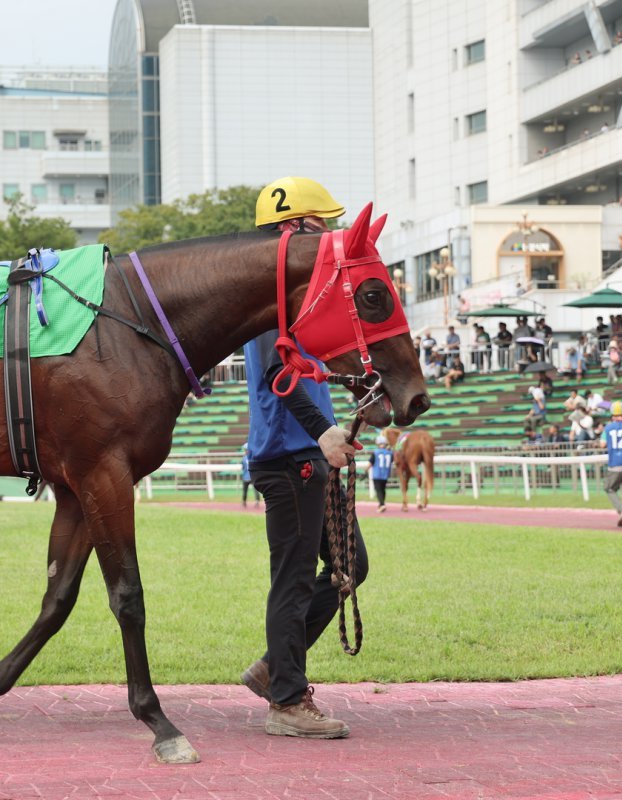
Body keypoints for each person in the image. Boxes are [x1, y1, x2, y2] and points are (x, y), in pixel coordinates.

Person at [240, 176, 366, 740]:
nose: (331, 237)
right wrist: (323, 434)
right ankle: (286, 702)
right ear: (294, 229)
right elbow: (278, 374)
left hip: (309, 456)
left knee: (352, 566)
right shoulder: (269, 299)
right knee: (292, 581)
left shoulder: (299, 297)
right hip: (290, 460)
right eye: (322, 227)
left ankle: (274, 667)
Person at [369, 434, 393, 513]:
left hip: (377, 474)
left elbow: (370, 464)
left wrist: (365, 471)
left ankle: (382, 504)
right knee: (383, 490)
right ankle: (381, 504)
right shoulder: (390, 453)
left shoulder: (375, 452)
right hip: (385, 475)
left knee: (378, 490)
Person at [240, 442, 260, 508]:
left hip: (246, 477)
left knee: (245, 491)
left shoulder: (243, 458)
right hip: (253, 476)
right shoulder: (253, 457)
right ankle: (257, 501)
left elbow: (242, 467)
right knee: (256, 490)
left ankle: (244, 502)